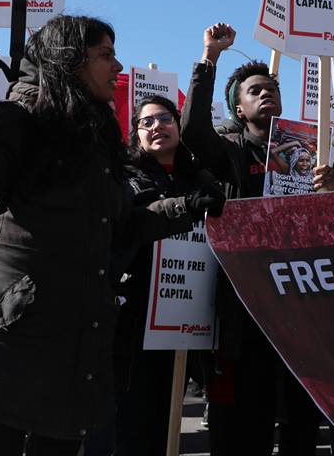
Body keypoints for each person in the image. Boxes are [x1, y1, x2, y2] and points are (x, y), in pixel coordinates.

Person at [0, 15, 220, 455]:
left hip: (76, 342)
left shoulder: (95, 133)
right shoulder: (20, 114)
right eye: (105, 55)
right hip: (12, 340)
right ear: (69, 59)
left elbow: (120, 225)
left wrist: (187, 207)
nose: (118, 66)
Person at [180, 22, 334, 456]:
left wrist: (333, 188)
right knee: (242, 423)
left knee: (300, 422)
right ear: (238, 109)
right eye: (254, 90)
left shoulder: (309, 155)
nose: (266, 93)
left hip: (299, 310)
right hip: (243, 313)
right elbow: (193, 131)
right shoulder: (227, 154)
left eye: (271, 88)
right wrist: (209, 58)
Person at [99, 95, 220, 456]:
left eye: (164, 118)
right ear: (136, 134)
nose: (156, 127)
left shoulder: (200, 177)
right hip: (135, 320)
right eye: (146, 122)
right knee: (133, 422)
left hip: (186, 322)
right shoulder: (125, 178)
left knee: (167, 421)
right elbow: (130, 228)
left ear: (178, 126)